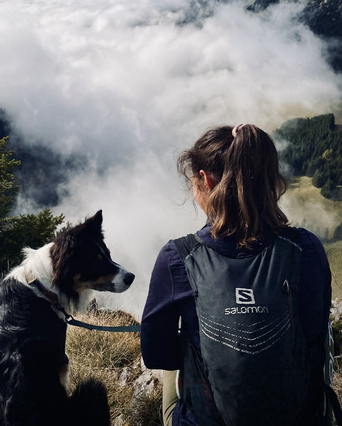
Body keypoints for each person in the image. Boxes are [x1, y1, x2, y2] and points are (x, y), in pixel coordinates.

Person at [141, 124, 332, 426]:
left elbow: (156, 355)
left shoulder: (177, 257)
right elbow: (314, 336)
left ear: (205, 179)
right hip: (299, 419)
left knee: (177, 371)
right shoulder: (305, 248)